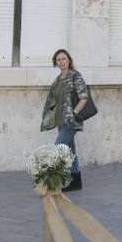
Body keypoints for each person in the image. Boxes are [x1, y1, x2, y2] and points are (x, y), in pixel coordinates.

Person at [42, 49, 89, 191]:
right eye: (58, 60)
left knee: (58, 148)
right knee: (70, 151)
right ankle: (76, 181)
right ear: (55, 63)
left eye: (64, 59)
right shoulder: (57, 80)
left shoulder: (75, 76)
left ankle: (49, 183)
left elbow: (84, 97)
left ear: (69, 60)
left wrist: (73, 113)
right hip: (60, 122)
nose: (61, 61)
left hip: (71, 122)